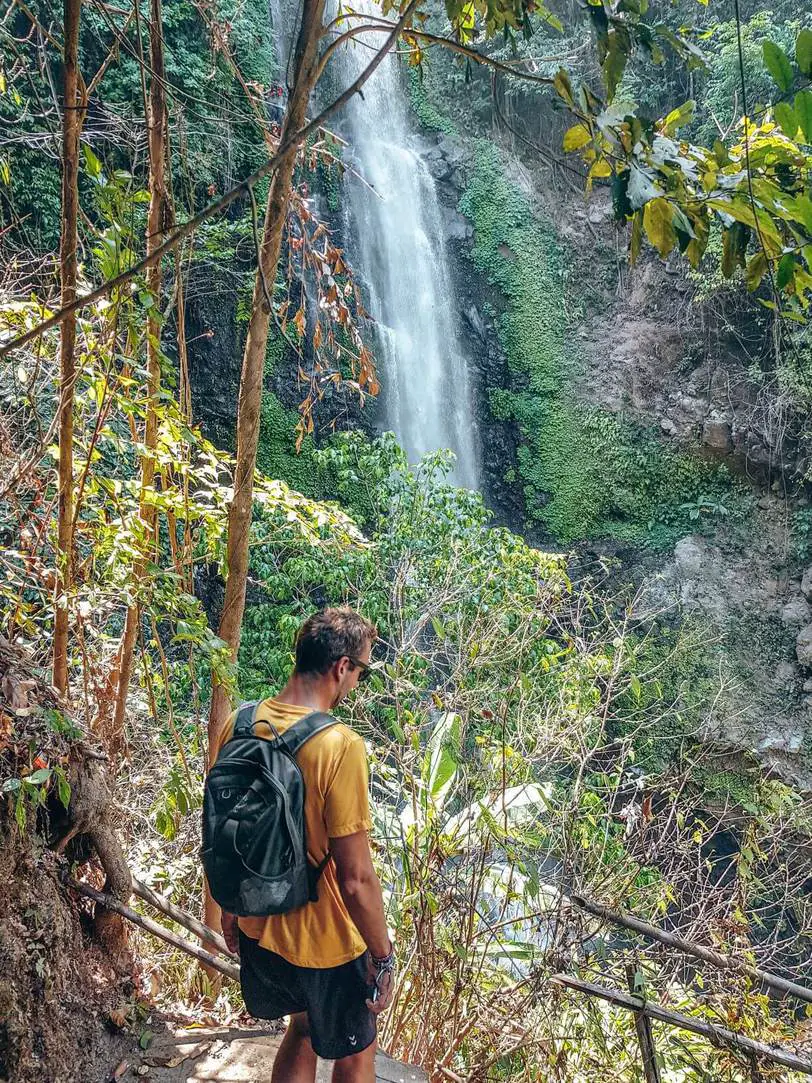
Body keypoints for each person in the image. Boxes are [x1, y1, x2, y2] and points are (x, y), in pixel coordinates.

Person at [213, 607, 394, 1083]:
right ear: (341, 667)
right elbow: (355, 879)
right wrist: (382, 954)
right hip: (326, 942)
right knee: (356, 1053)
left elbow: (225, 829)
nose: (357, 683)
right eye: (362, 671)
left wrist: (230, 905)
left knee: (301, 1030)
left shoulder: (241, 721)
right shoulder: (339, 745)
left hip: (260, 927)